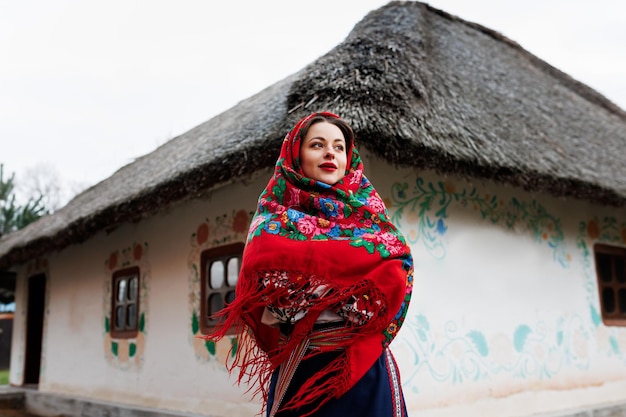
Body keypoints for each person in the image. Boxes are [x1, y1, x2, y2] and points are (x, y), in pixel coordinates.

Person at [206, 112, 414, 417]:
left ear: (349, 158)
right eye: (317, 145)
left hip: (363, 369)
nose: (330, 152)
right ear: (296, 155)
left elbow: (397, 271)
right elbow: (272, 299)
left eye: (339, 147)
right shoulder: (271, 220)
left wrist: (311, 287)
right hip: (303, 367)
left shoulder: (370, 216)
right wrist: (348, 294)